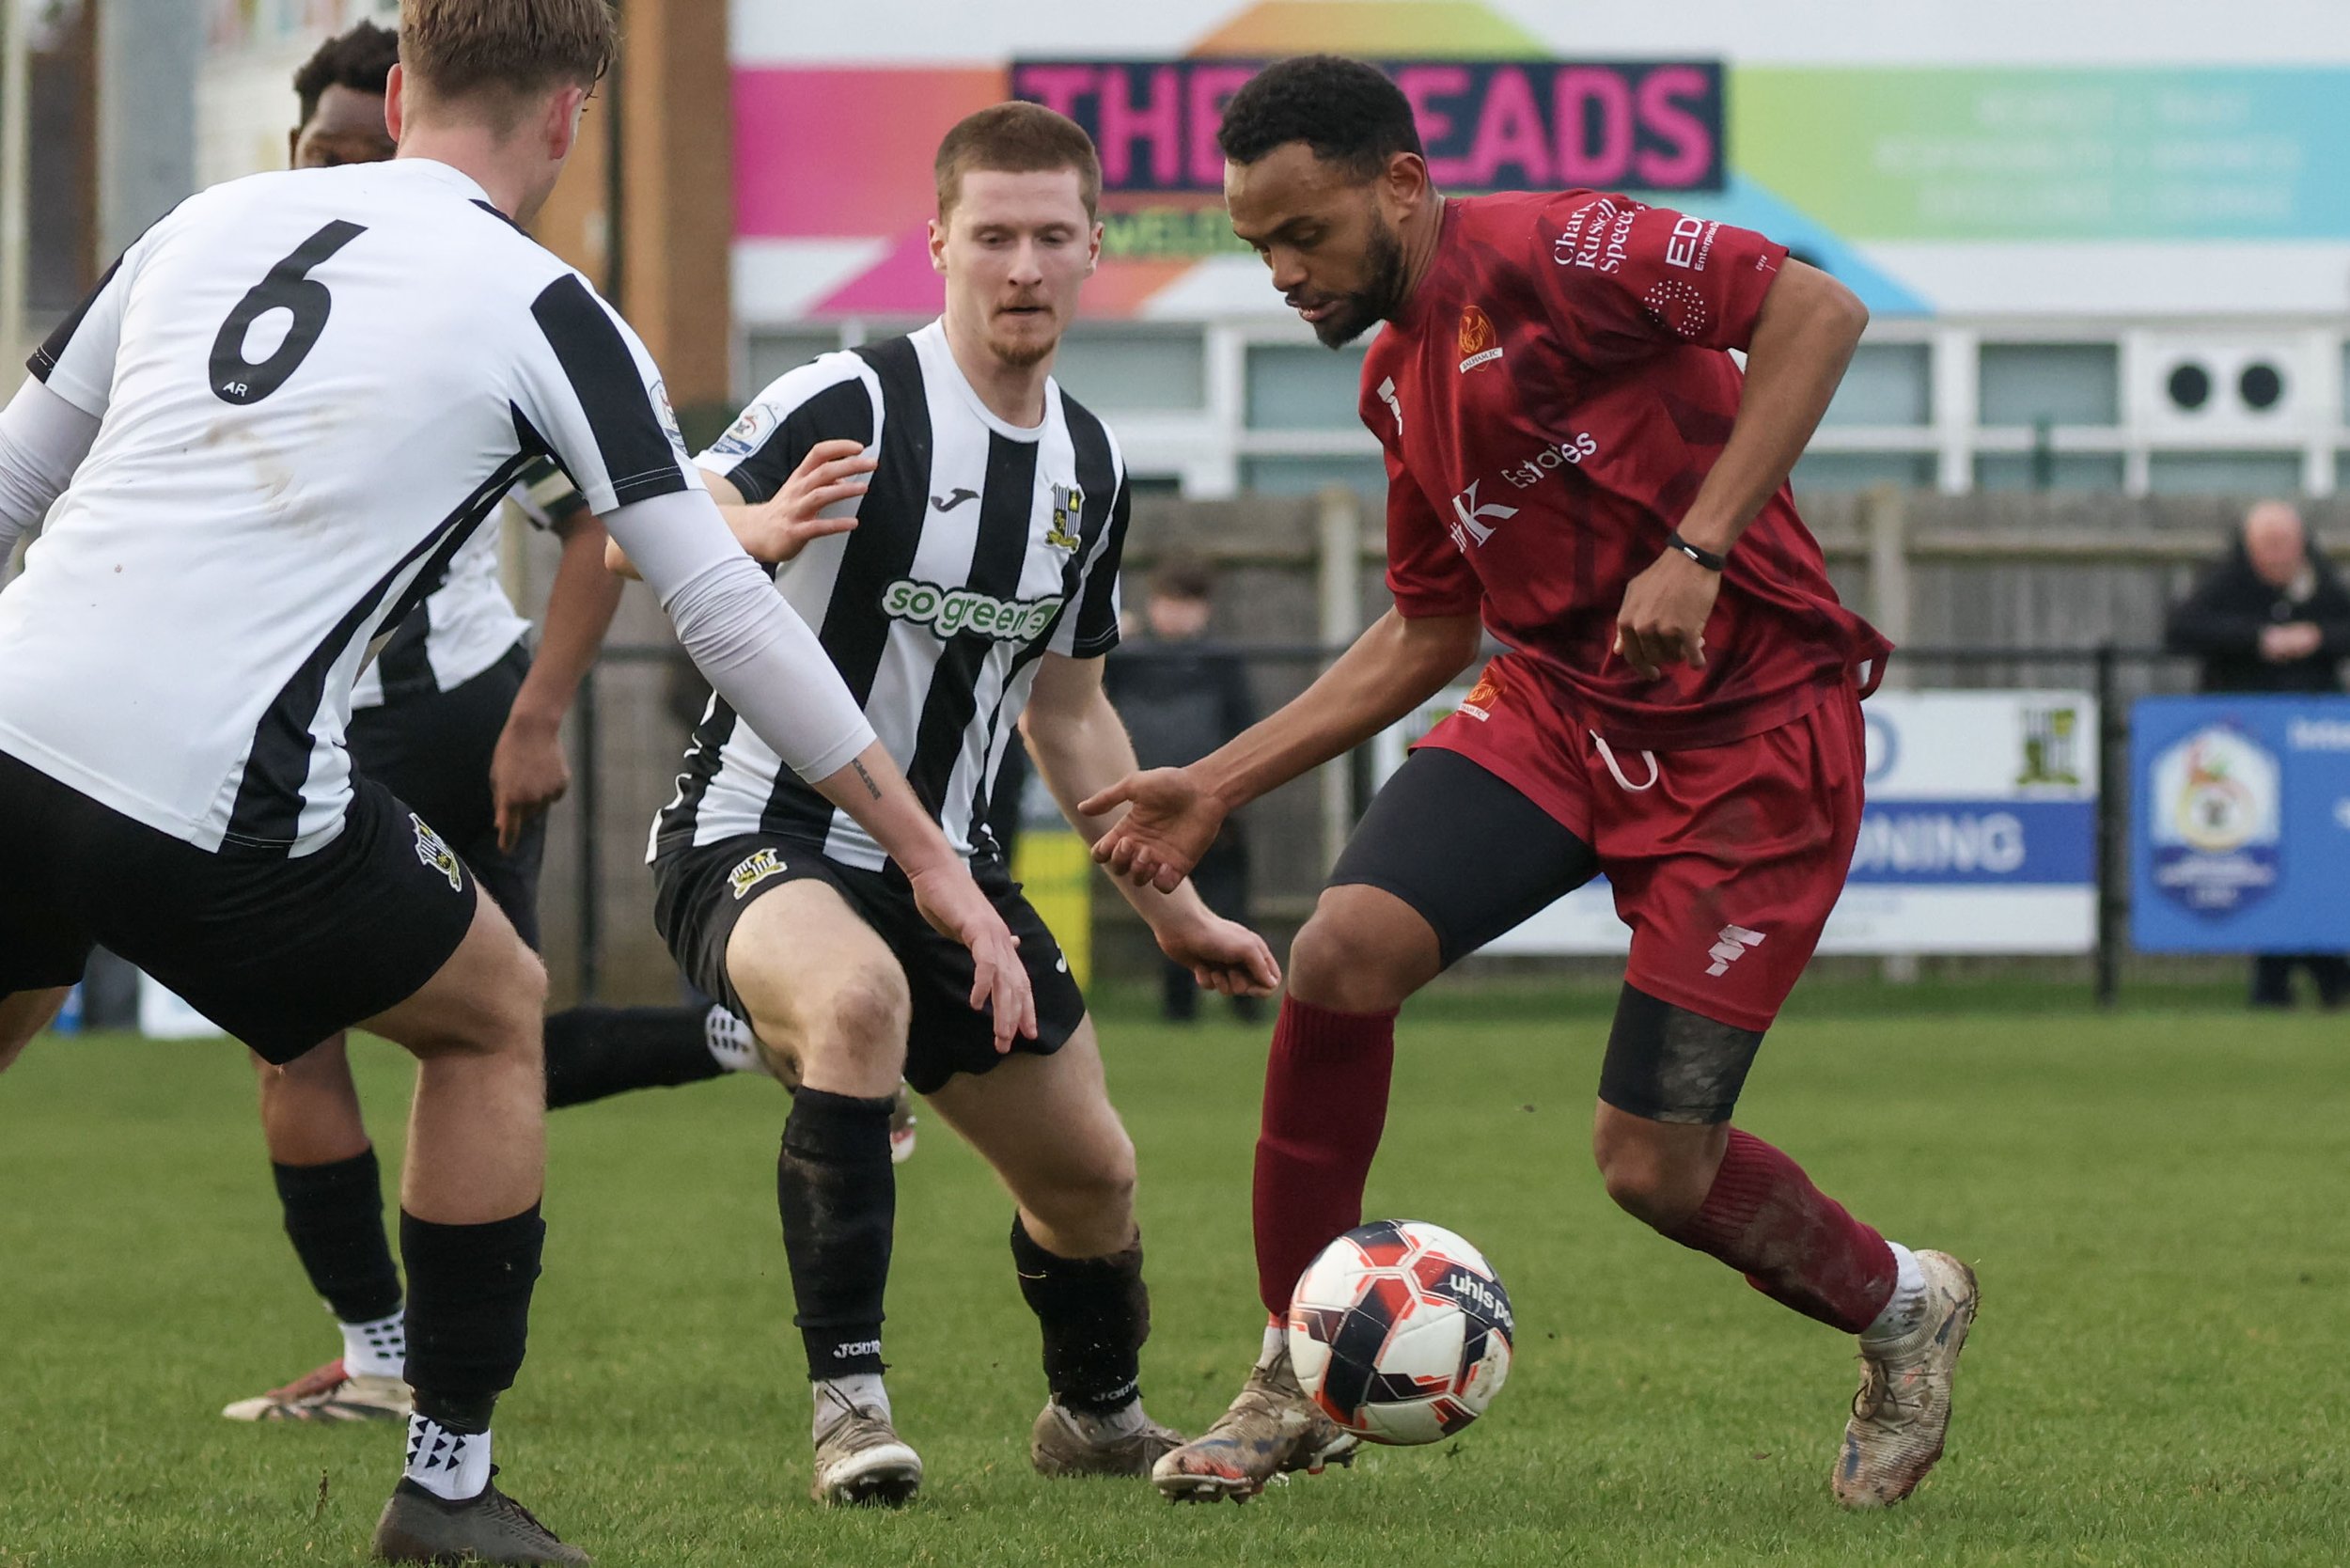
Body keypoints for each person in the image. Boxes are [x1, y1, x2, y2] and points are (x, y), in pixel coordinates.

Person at [0, 1, 1030, 1560]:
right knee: (490, 1013)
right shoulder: (551, 306)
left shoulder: (201, 220)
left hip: (13, 728)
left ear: (402, 86)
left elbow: (15, 477)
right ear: (571, 116)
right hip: (212, 784)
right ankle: (449, 1486)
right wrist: (931, 857)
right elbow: (726, 608)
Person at [1081, 56, 1977, 1510]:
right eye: (1260, 249)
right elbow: (1433, 629)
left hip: (1753, 740)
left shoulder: (1566, 250)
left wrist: (1696, 551)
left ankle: (1902, 1306)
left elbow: (1818, 308)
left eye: (1304, 235)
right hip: (1561, 707)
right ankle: (1293, 1373)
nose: (1284, 274)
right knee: (1341, 953)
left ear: (1404, 184)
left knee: (1650, 1170)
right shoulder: (1396, 382)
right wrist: (1220, 786)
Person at [617, 102, 1279, 1507]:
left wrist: (1177, 907)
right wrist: (749, 530)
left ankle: (1095, 1416)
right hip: (758, 831)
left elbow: (1071, 710)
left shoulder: (1088, 469)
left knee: (1093, 1177)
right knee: (854, 1005)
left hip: (956, 871)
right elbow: (648, 524)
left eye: (1051, 235)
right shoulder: (848, 401)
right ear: (936, 245)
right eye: (992, 235)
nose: (1022, 265)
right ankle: (850, 1412)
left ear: (1098, 247)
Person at [216, 18, 786, 1433]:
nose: (353, 171)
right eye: (327, 152)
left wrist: (537, 714)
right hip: (320, 722)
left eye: (369, 143)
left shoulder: (483, 298)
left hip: (428, 717)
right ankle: (736, 1039)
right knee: (401, 1032)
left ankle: (399, 1367)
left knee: (423, 1034)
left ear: (410, 118)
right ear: (297, 154)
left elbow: (598, 519)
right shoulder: (258, 282)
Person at [2165, 498, 2350, 1008]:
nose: (2278, 554)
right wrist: (2259, 641)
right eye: (2267, 545)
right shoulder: (2228, 585)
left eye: (2286, 543)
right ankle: (2292, 975)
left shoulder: (2321, 584)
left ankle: (2317, 970)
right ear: (2248, 547)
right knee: (2268, 858)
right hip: (2248, 750)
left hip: (2316, 749)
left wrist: (2316, 639)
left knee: (2317, 857)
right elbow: (2180, 631)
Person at [1104, 555, 1261, 1021]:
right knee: (1168, 904)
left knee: (1229, 903)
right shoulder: (1125, 658)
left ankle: (1247, 1004)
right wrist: (1110, 641)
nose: (1178, 615)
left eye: (1188, 604)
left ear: (1205, 609)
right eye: (1169, 603)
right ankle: (1179, 1011)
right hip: (1147, 809)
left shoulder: (1222, 662)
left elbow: (1245, 729)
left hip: (1215, 806)